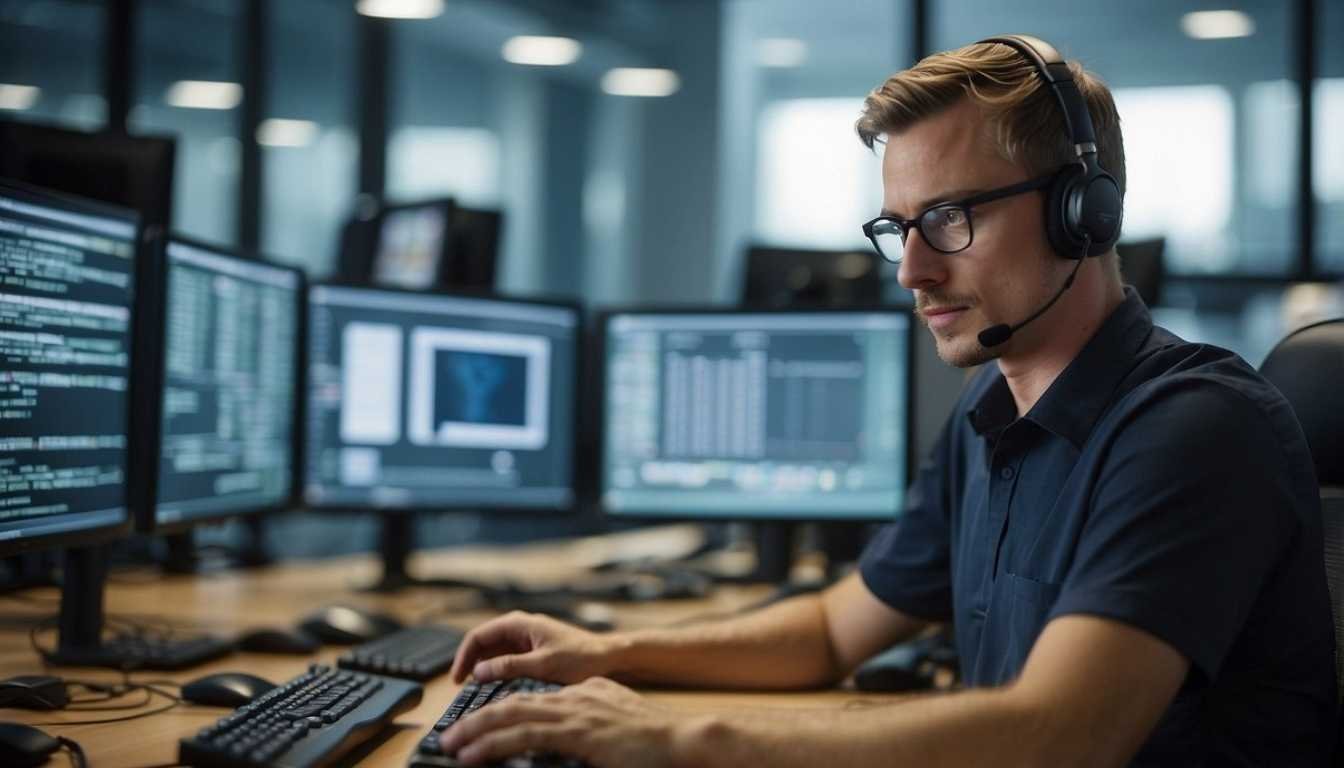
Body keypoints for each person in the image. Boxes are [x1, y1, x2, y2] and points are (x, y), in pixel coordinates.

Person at [438, 36, 1338, 767]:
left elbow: (1063, 735)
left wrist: (680, 738)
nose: (912, 270)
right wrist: (611, 654)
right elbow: (834, 630)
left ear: (1083, 213)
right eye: (898, 228)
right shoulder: (994, 409)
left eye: (951, 218)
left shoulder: (1196, 428)